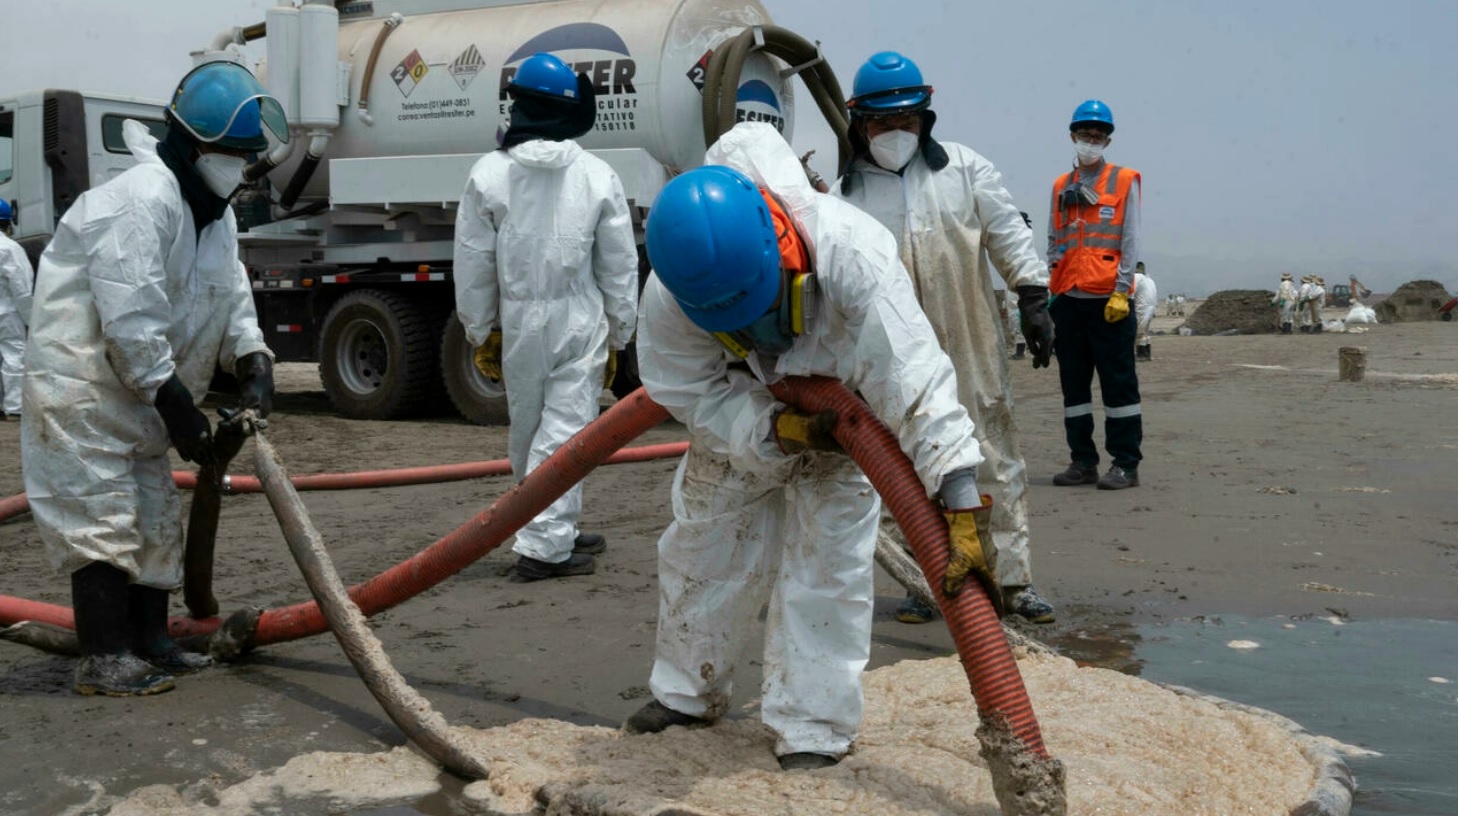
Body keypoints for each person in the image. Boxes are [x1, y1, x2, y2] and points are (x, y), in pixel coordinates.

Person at [622, 122, 994, 771]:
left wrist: (958, 493)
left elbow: (916, 380)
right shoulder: (673, 296)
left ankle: (813, 727)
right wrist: (768, 430)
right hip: (743, 418)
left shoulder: (852, 250)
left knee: (827, 568)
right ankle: (687, 692)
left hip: (848, 429)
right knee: (703, 552)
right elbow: (687, 392)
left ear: (782, 244)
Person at [20, 61, 285, 696]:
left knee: (155, 514)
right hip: (83, 388)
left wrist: (255, 362)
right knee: (102, 517)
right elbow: (129, 319)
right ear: (197, 146)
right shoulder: (139, 201)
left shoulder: (214, 216)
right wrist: (177, 406)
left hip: (138, 392)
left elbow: (230, 298)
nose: (245, 169)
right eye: (237, 156)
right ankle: (105, 657)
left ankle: (153, 642)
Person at [834, 51, 1054, 624]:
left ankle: (1012, 580)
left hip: (970, 339)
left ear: (925, 117)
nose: (895, 132)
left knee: (992, 454)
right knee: (900, 466)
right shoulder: (846, 195)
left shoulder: (964, 169)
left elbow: (1006, 230)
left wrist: (1032, 294)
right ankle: (922, 579)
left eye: (906, 120)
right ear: (860, 123)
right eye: (883, 123)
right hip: (886, 354)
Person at [453, 52, 638, 582]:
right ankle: (543, 548)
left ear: (520, 106)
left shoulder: (489, 173)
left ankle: (551, 525)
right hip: (578, 316)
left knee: (530, 429)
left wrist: (480, 325)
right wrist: (622, 331)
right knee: (565, 434)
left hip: (518, 320)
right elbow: (619, 263)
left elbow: (472, 259)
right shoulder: (597, 175)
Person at [1046, 99, 1144, 490]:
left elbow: (1131, 238)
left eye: (1098, 135)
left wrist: (1123, 289)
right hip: (1069, 300)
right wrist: (1052, 293)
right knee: (1074, 386)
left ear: (1107, 140)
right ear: (1073, 136)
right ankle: (1082, 461)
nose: (1091, 140)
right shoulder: (1060, 186)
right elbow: (1053, 241)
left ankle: (1125, 463)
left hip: (1109, 300)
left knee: (1118, 385)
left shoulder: (1124, 180)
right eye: (1085, 134)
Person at [0, 200, 34, 420]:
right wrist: (31, 319)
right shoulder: (10, 249)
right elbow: (22, 288)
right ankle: (13, 407)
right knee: (13, 355)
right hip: (7, 312)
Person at [1132, 261, 1157, 361]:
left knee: (1139, 331)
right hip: (1151, 307)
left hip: (1142, 307)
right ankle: (1147, 353)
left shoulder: (1137, 277)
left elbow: (1131, 291)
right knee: (1145, 331)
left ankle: (1141, 355)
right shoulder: (1149, 279)